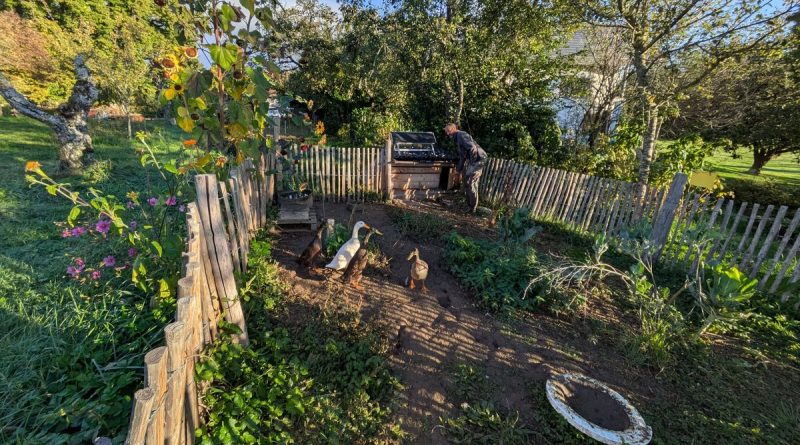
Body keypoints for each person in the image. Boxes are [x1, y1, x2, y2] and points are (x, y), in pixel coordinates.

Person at [444, 123, 487, 213]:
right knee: (467, 182)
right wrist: (458, 171)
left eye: (449, 131)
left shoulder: (461, 135)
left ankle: (472, 208)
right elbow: (462, 157)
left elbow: (472, 148)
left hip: (478, 159)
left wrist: (472, 162)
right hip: (476, 160)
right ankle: (470, 206)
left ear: (454, 129)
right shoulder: (457, 139)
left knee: (470, 182)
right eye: (446, 132)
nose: (447, 133)